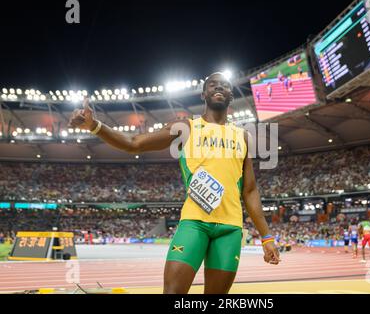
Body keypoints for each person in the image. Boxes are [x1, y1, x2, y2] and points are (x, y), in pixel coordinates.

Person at [68, 72, 280, 294]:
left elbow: (250, 190)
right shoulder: (186, 128)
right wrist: (95, 126)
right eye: (213, 85)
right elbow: (134, 143)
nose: (219, 88)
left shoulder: (243, 137)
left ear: (231, 94)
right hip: (194, 223)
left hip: (230, 229)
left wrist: (267, 237)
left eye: (225, 86)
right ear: (203, 94)